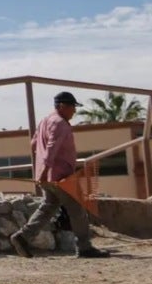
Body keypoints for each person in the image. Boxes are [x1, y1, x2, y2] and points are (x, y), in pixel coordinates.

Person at [9, 91, 110, 259]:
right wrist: (44, 172)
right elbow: (51, 149)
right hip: (61, 177)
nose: (74, 111)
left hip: (49, 176)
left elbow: (34, 144)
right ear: (62, 106)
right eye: (72, 107)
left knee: (48, 207)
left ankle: (23, 236)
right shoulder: (60, 123)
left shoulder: (44, 121)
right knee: (77, 210)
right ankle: (84, 247)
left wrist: (42, 171)